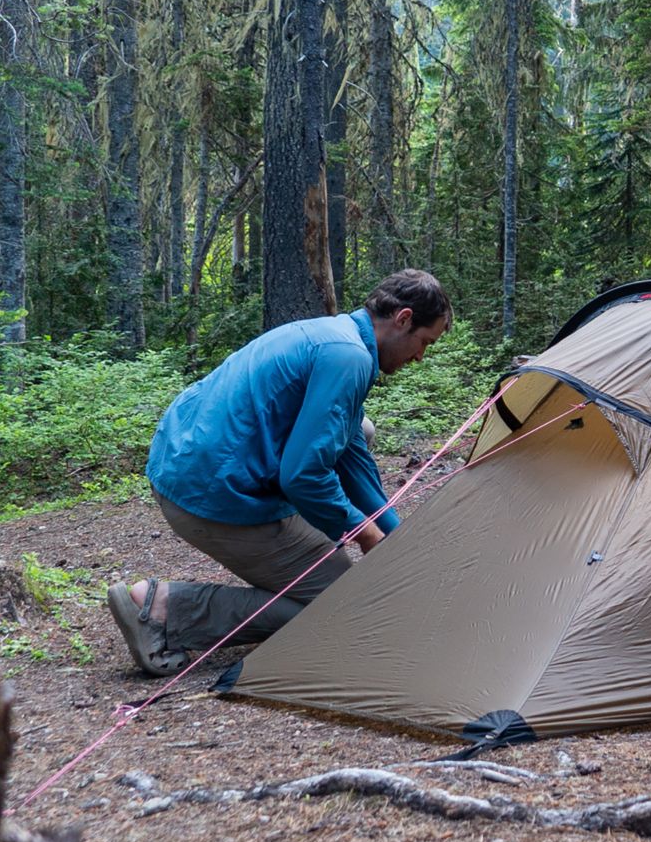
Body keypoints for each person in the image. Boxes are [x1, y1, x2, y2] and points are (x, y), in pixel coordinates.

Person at [106, 270, 451, 676]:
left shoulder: (338, 333)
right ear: (404, 319)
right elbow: (303, 476)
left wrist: (396, 536)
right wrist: (365, 532)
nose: (420, 357)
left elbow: (352, 455)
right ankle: (164, 609)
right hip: (211, 492)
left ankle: (305, 538)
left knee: (360, 430)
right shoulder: (349, 357)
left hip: (185, 460)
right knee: (347, 603)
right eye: (424, 343)